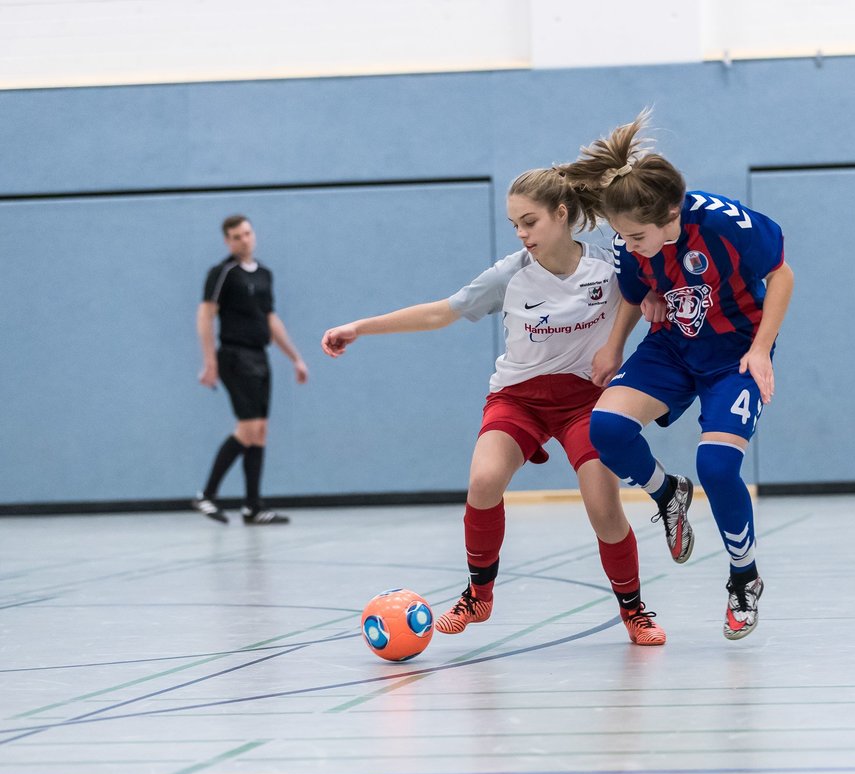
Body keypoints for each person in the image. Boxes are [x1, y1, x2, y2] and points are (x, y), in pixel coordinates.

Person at [320, 168, 667, 646]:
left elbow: (651, 279)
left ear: (562, 215)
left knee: (603, 506)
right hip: (519, 397)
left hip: (584, 402)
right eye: (515, 225)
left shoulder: (609, 266)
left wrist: (654, 297)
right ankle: (477, 595)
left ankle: (634, 610)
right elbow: (441, 312)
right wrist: (361, 326)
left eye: (530, 222)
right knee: (483, 480)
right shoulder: (511, 273)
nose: (522, 234)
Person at [556, 110, 795, 641]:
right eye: (622, 236)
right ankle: (668, 494)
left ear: (673, 214)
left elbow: (782, 275)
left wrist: (761, 351)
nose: (629, 243)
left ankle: (744, 579)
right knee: (607, 430)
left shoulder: (725, 224)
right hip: (673, 345)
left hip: (734, 353)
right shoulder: (632, 238)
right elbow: (638, 289)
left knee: (717, 464)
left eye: (637, 234)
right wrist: (614, 346)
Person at [194, 215, 307, 525]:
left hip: (260, 356)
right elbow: (205, 316)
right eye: (236, 236)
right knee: (247, 429)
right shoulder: (222, 273)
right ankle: (207, 496)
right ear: (228, 241)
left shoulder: (265, 275)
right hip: (234, 356)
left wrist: (295, 357)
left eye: (247, 233)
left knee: (259, 433)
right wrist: (210, 361)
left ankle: (253, 507)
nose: (244, 240)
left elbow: (270, 320)